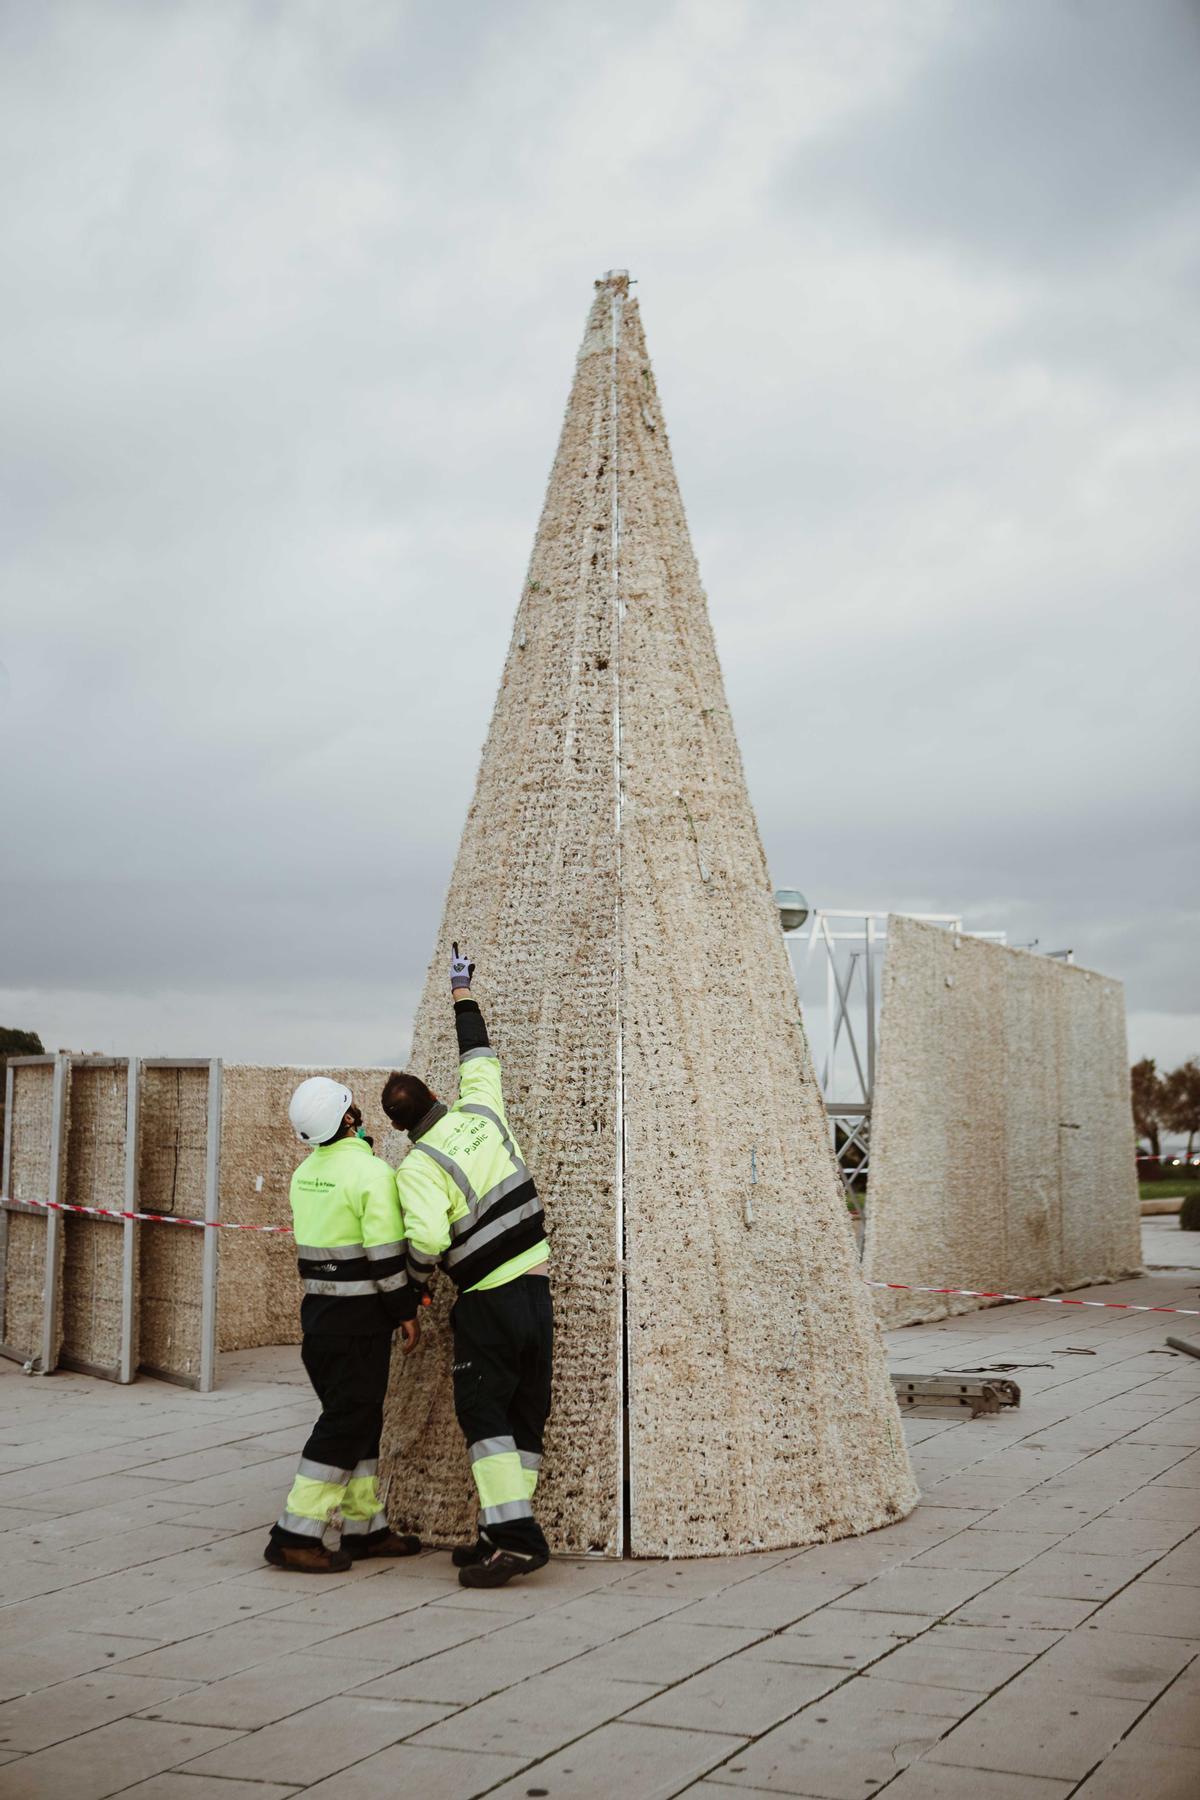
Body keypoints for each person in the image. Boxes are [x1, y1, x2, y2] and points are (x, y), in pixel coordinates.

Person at [382, 944, 552, 1588]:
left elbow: (425, 1240)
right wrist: (462, 991)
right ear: (435, 1094)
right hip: (538, 1290)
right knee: (523, 1415)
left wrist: (416, 1293)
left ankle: (515, 1539)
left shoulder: (418, 1169)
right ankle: (496, 1530)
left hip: (488, 1300)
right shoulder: (482, 1109)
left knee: (483, 1417)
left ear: (399, 1129)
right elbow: (479, 1057)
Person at [265, 1078, 424, 1573]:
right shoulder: (373, 1174)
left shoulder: (302, 1175)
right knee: (345, 1423)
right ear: (349, 1119)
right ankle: (296, 1531)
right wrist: (406, 1310)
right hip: (360, 1323)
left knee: (361, 1419)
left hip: (320, 1320)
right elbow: (385, 1257)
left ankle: (364, 1526)